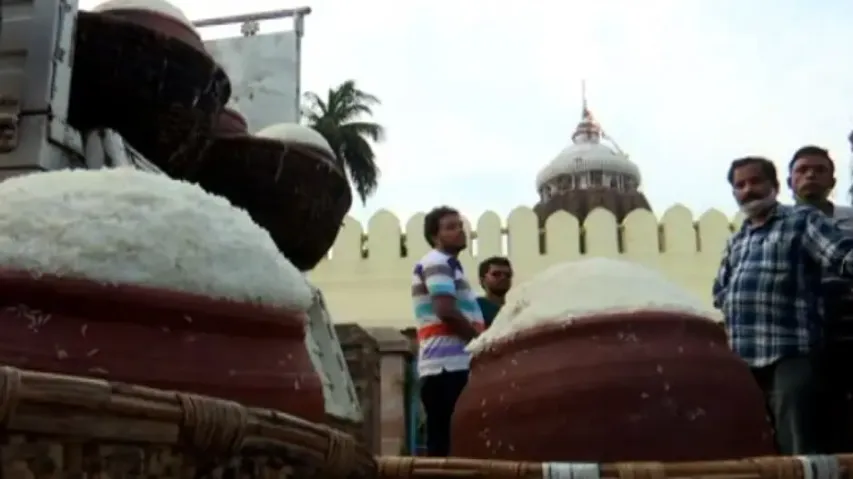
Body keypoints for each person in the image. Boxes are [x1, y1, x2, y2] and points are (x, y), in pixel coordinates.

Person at [713, 156, 853, 454]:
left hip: (791, 352)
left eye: (755, 181)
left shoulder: (802, 221)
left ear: (775, 186)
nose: (748, 189)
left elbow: (841, 256)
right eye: (740, 185)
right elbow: (720, 291)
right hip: (743, 360)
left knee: (799, 446)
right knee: (755, 445)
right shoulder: (737, 240)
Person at [788, 145, 853, 452]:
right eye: (802, 170)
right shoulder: (774, 225)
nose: (810, 175)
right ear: (789, 182)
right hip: (800, 340)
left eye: (819, 170)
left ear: (832, 181)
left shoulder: (850, 220)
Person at [411, 206, 485, 457]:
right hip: (447, 367)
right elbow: (446, 311)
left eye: (460, 226)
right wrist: (480, 342)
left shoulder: (450, 265)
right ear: (435, 236)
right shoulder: (437, 262)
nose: (459, 231)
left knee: (450, 442)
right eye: (450, 227)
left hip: (452, 366)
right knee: (446, 446)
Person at [476, 256, 513, 328]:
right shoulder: (476, 307)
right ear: (482, 280)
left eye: (508, 275)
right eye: (496, 274)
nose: (503, 277)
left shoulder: (515, 309)